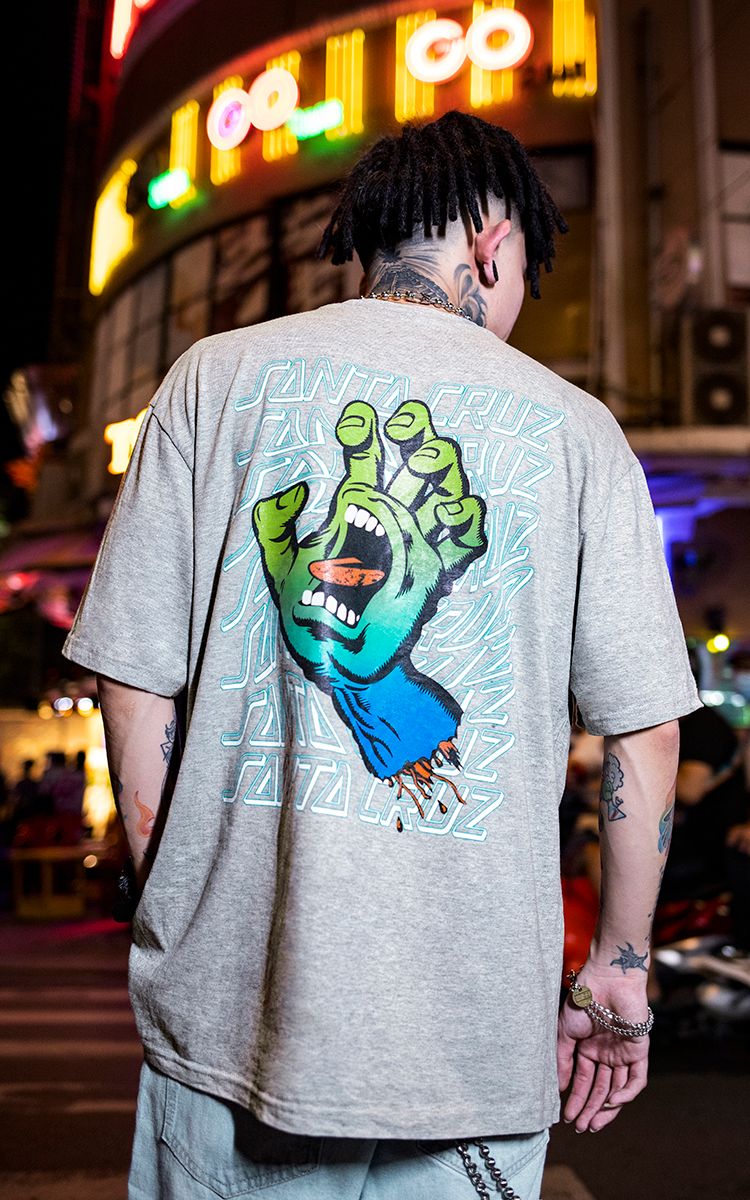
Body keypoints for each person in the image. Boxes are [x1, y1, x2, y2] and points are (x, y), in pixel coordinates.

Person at [63, 112, 700, 1200]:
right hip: (470, 1047)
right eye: (525, 275)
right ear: (493, 244)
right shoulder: (578, 431)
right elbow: (643, 734)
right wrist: (617, 975)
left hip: (230, 1024)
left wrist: (174, 883)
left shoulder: (213, 381)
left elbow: (132, 675)